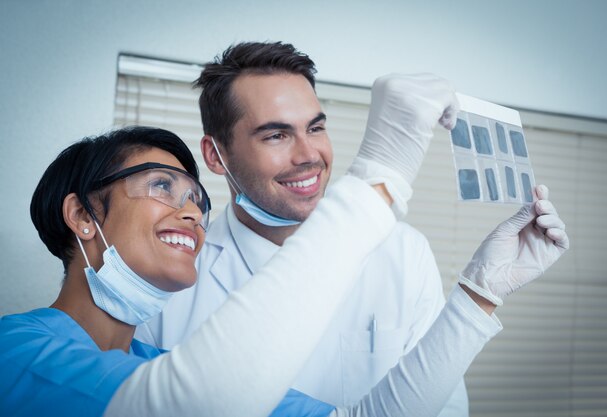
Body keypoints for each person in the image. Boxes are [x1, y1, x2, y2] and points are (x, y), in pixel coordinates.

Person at [0, 123, 569, 416]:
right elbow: (184, 408)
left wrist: (479, 294)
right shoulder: (15, 351)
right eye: (160, 186)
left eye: (198, 198)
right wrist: (376, 186)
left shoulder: (160, 363)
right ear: (80, 214)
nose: (192, 211)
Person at [134, 41, 469, 414]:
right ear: (216, 154)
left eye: (315, 128)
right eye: (276, 135)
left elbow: (445, 408)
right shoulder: (168, 281)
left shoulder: (404, 252)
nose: (309, 155)